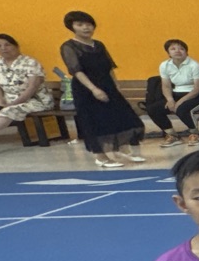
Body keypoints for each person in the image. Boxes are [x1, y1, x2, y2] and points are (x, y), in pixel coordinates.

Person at [60, 10, 144, 168]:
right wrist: (94, 89)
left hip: (107, 85)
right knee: (95, 122)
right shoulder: (69, 46)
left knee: (123, 117)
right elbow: (76, 71)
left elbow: (109, 67)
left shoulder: (98, 45)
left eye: (88, 24)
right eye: (80, 25)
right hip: (86, 89)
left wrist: (116, 85)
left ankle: (121, 150)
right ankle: (101, 157)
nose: (86, 28)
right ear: (72, 27)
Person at [0, 33, 53, 155]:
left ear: (16, 46)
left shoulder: (30, 63)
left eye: (7, 45)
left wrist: (12, 104)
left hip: (35, 100)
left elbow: (32, 88)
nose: (3, 48)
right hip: (8, 100)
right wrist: (0, 103)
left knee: (8, 111)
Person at [144, 38, 199, 148]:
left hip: (198, 95)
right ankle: (172, 135)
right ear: (168, 53)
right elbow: (166, 85)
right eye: (173, 49)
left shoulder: (195, 66)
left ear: (186, 52)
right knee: (153, 108)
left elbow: (198, 89)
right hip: (177, 93)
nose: (177, 51)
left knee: (182, 108)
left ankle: (195, 133)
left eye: (181, 49)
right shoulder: (164, 65)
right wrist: (170, 100)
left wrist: (179, 102)